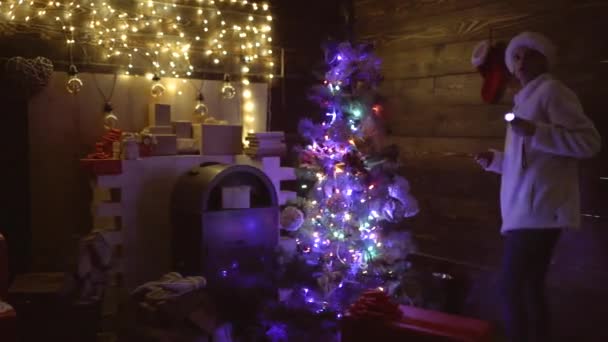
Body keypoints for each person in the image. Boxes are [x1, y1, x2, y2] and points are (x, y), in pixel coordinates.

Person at [474, 32, 601, 342]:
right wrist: (495, 160)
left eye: (527, 54)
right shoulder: (523, 102)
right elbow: (528, 161)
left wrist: (535, 131)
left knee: (511, 288)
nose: (520, 62)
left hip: (541, 210)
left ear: (544, 58)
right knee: (528, 288)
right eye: (515, 57)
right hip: (526, 211)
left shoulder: (553, 92)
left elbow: (589, 143)